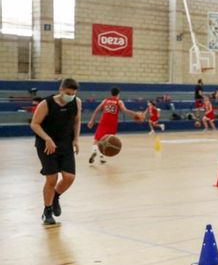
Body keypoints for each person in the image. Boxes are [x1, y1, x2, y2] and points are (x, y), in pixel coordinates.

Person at [30, 78, 81, 225]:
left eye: (73, 93)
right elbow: (34, 124)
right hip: (47, 144)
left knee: (69, 177)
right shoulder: (46, 104)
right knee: (52, 179)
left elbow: (77, 121)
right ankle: (47, 211)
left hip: (65, 143)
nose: (70, 96)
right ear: (61, 90)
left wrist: (76, 139)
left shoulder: (76, 102)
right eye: (67, 93)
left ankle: (56, 196)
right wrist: (47, 138)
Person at [87, 87, 140, 164]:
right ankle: (101, 158)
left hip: (104, 121)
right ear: (118, 94)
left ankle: (95, 151)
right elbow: (125, 110)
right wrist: (135, 114)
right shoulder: (119, 101)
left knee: (97, 140)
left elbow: (97, 110)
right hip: (112, 123)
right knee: (107, 141)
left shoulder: (105, 100)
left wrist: (92, 120)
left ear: (111, 93)